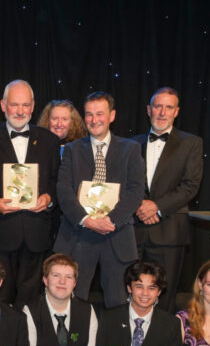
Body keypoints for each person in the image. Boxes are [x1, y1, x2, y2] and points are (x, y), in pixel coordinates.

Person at [53, 91, 144, 308]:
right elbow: (63, 190)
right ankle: (76, 342)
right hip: (79, 235)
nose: (94, 120)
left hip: (117, 234)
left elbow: (135, 190)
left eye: (100, 114)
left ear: (112, 115)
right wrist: (86, 219)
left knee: (119, 302)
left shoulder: (130, 149)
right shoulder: (72, 150)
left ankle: (116, 342)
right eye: (89, 114)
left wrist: (111, 220)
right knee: (74, 302)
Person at [0, 79, 60, 307]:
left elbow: (56, 180)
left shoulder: (50, 141)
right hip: (1, 234)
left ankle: (27, 343)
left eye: (25, 105)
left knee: (32, 301)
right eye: (14, 105)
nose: (20, 111)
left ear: (33, 106)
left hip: (37, 234)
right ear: (3, 106)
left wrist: (49, 198)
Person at [131, 87, 204, 313]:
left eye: (168, 107)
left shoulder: (191, 143)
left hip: (170, 231)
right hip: (132, 231)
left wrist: (157, 207)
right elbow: (122, 184)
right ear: (148, 109)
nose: (162, 112)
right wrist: (139, 205)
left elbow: (191, 185)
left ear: (176, 112)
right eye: (158, 106)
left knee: (164, 297)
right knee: (129, 293)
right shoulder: (130, 144)